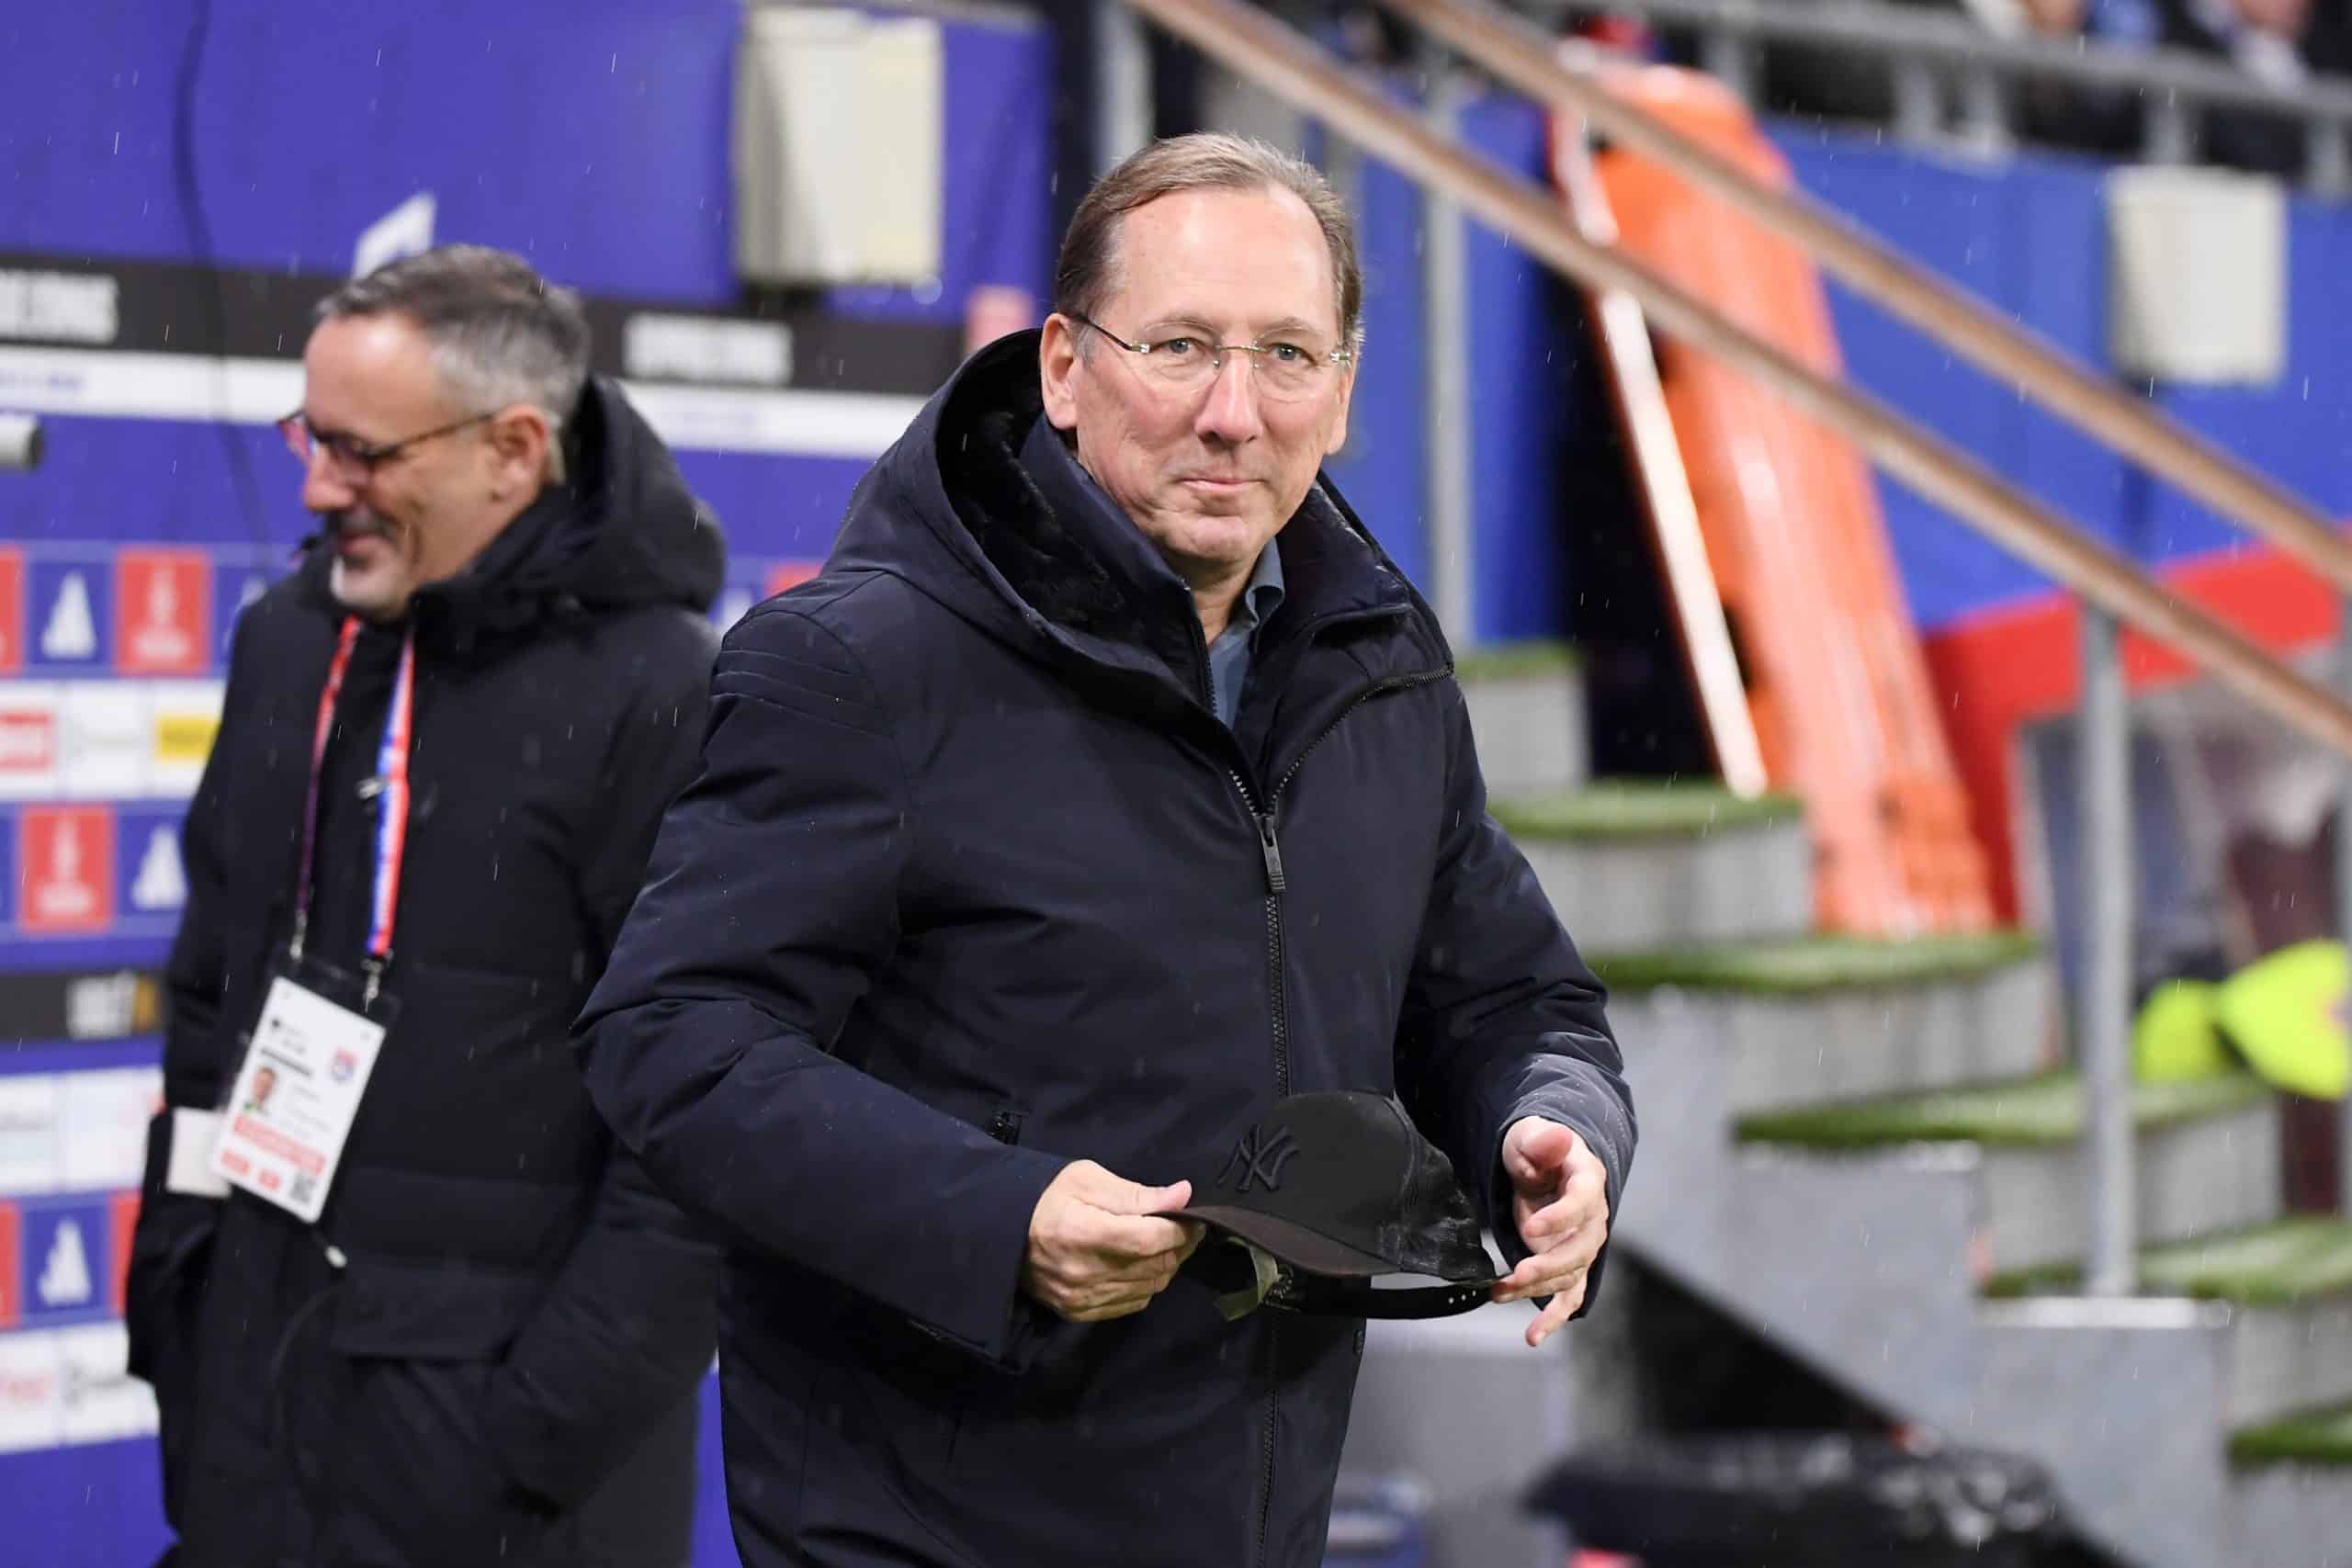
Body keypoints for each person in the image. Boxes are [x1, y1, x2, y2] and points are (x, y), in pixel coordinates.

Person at [575, 133, 1637, 1568]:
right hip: (920, 1527)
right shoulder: (857, 668)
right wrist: (996, 1216)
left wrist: (1551, 1125)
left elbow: (1510, 998)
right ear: (1063, 369)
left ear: (1344, 391)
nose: (1230, 412)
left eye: (1286, 357)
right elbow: (672, 1041)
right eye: (1180, 345)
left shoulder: (1380, 675)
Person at [123, 244, 725, 1568]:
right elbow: (214, 988)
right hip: (253, 1429)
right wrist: (180, 1294)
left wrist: (526, 1438)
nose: (319, 485)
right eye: (308, 435)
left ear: (512, 449)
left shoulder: (660, 691)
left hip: (507, 1486)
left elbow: (701, 1129)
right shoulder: (289, 642)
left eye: (362, 453)